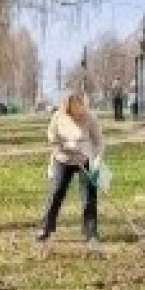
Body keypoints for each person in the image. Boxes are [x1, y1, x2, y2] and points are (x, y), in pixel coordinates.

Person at [37, 90, 105, 251]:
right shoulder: (58, 117)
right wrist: (66, 145)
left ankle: (91, 232)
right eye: (73, 105)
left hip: (86, 159)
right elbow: (52, 138)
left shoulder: (90, 117)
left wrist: (97, 161)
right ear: (67, 105)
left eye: (79, 104)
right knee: (56, 192)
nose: (77, 109)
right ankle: (45, 228)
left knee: (89, 196)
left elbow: (99, 142)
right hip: (63, 159)